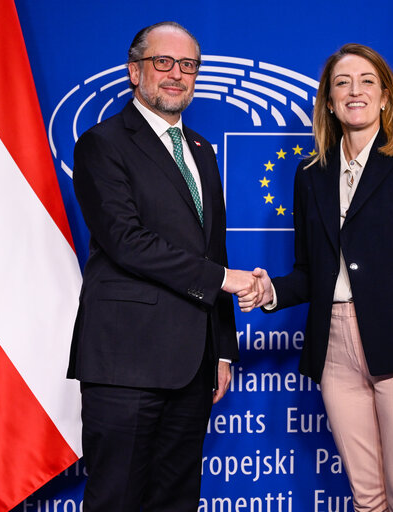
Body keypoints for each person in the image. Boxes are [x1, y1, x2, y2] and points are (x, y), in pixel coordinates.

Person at [243, 44, 393, 512]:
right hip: (335, 352)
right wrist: (269, 291)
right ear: (329, 100)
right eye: (342, 82)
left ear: (385, 97)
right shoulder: (310, 175)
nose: (354, 90)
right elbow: (310, 273)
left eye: (366, 81)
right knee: (367, 497)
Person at [67, 21, 260, 511]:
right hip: (126, 360)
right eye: (164, 62)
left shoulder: (201, 151)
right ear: (135, 71)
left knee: (177, 501)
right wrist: (223, 280)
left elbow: (212, 249)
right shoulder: (102, 143)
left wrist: (221, 350)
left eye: (189, 65)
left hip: (193, 365)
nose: (177, 74)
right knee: (118, 498)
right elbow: (126, 241)